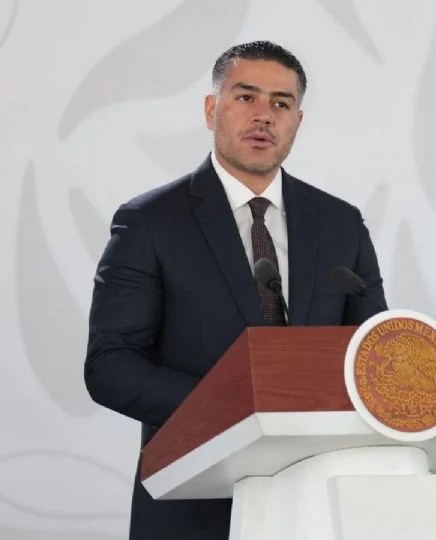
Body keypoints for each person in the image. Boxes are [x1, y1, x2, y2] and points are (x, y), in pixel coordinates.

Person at [84, 41, 387, 539]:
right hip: (194, 500)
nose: (264, 115)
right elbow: (110, 366)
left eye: (281, 103)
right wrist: (236, 407)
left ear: (297, 121)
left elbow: (371, 353)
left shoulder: (340, 224)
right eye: (246, 97)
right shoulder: (151, 222)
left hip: (319, 503)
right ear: (211, 110)